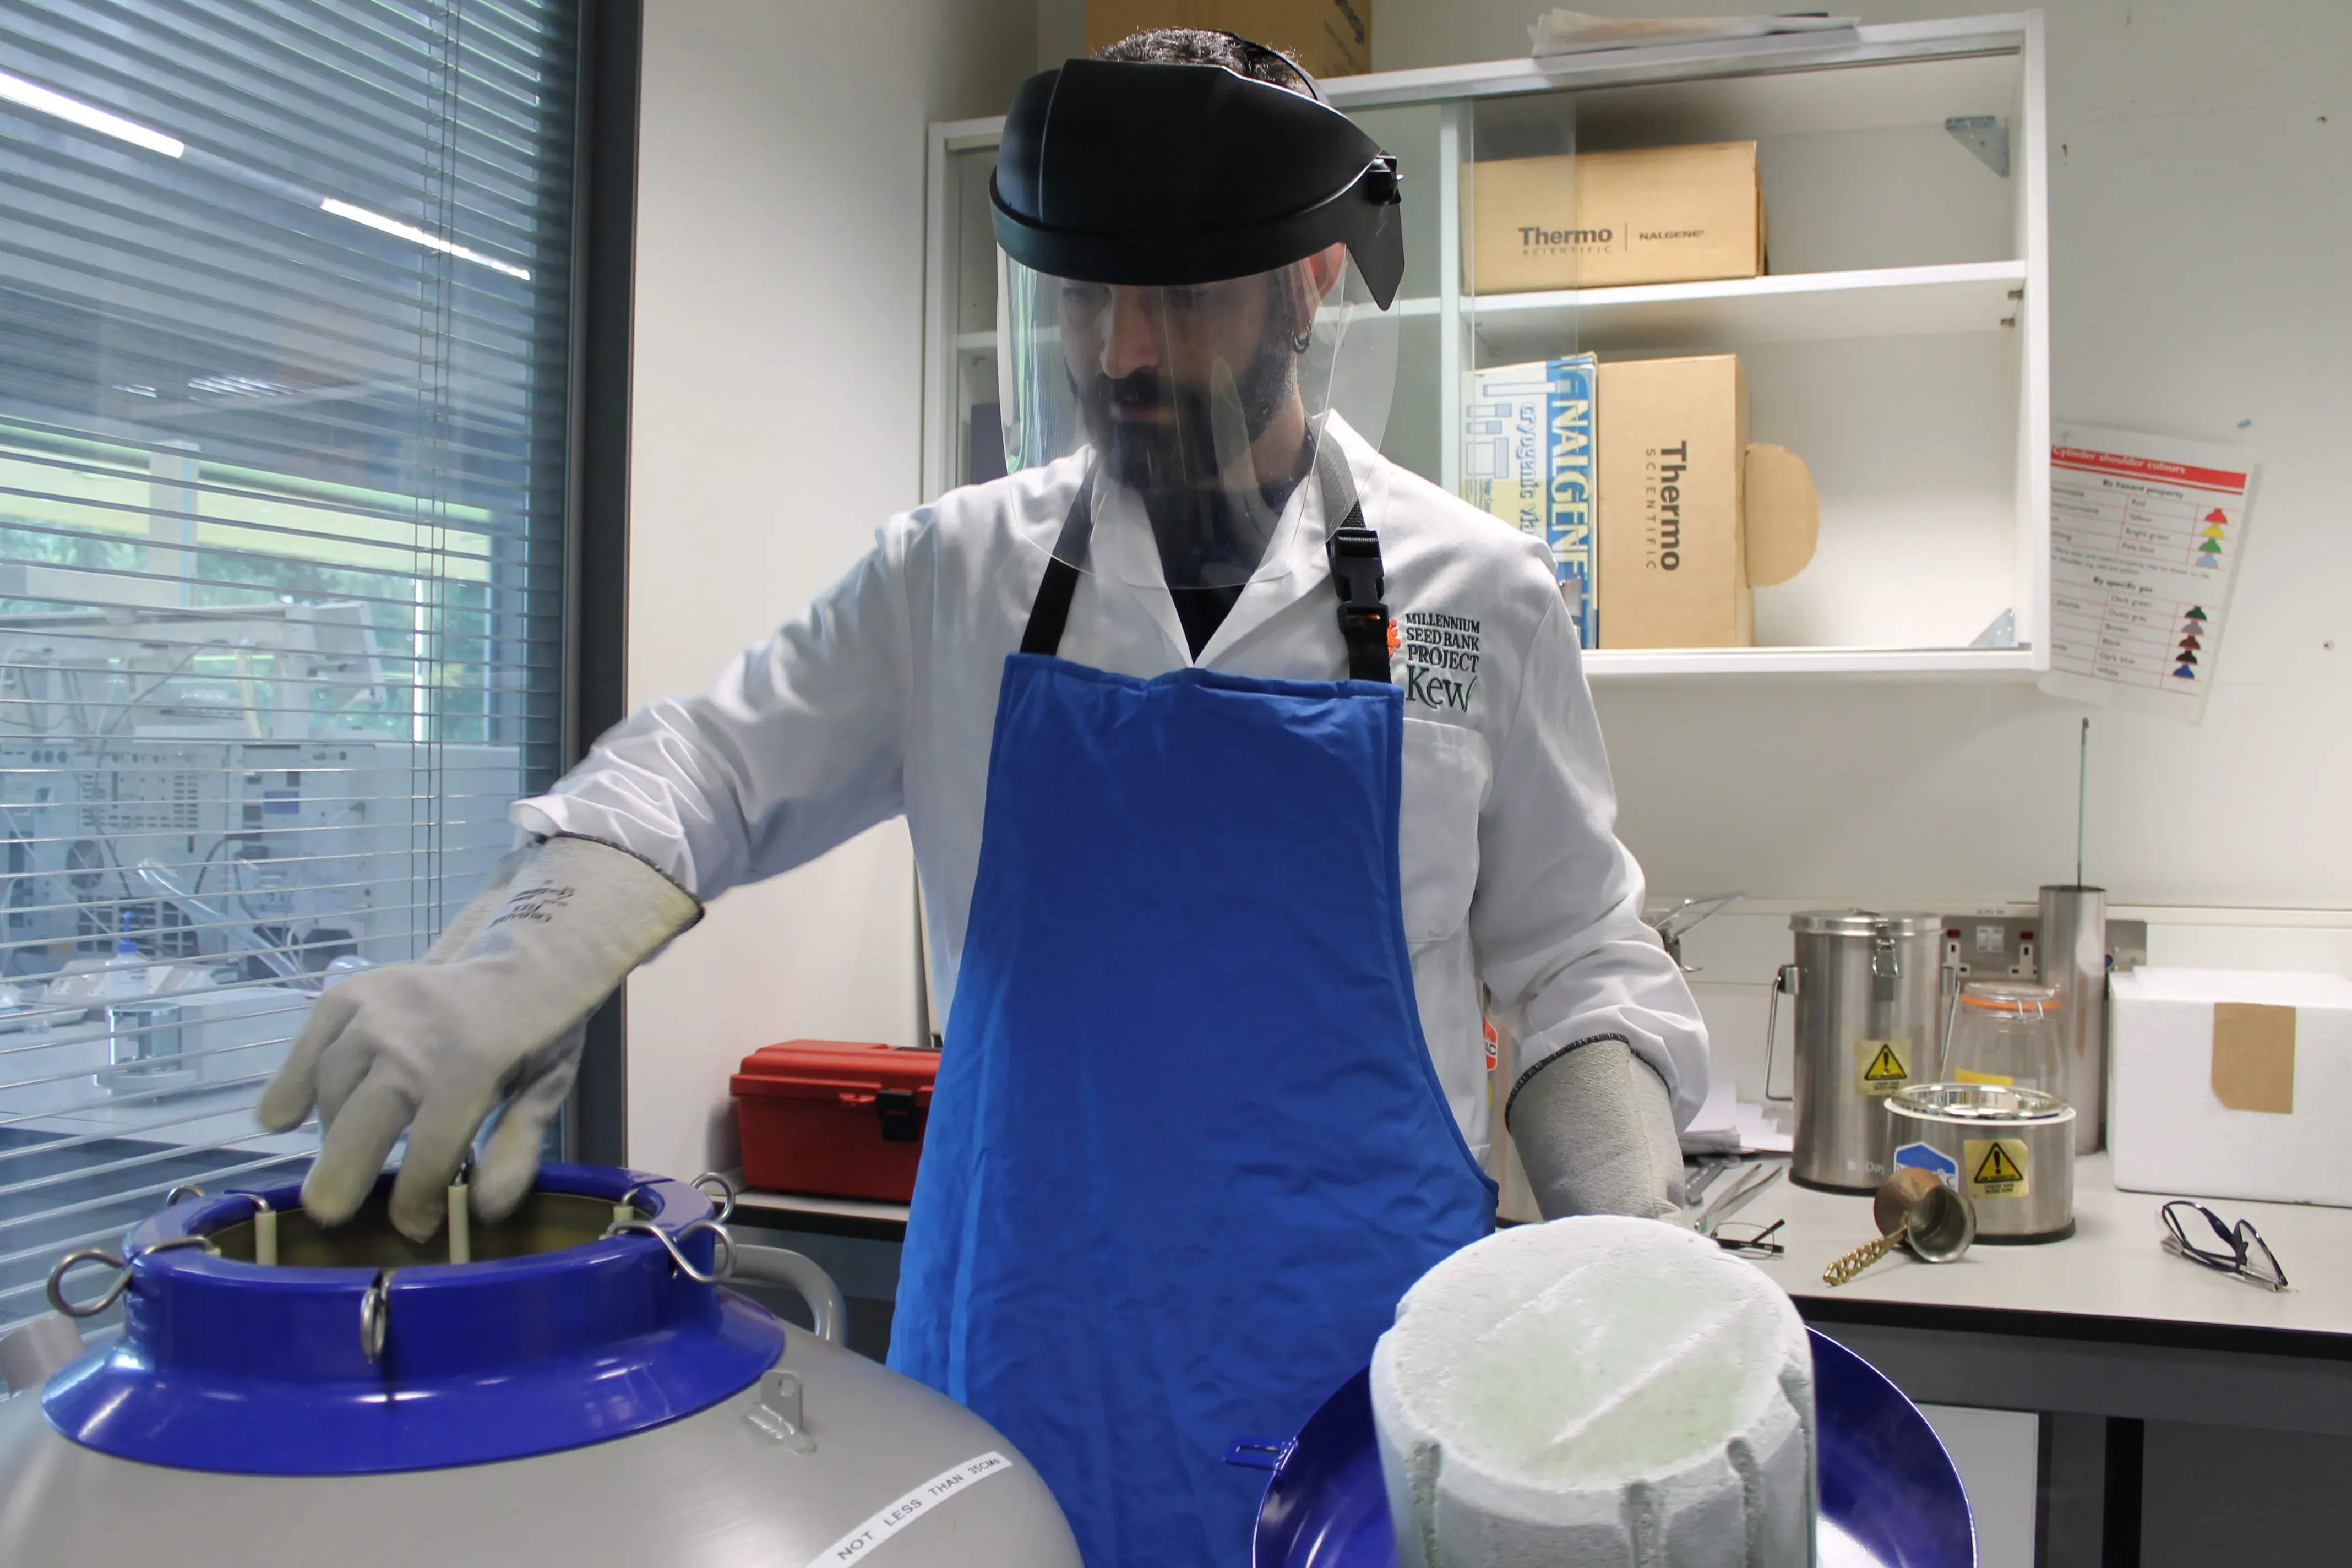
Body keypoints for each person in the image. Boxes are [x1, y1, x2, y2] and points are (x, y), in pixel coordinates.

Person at [258, 30, 1708, 1568]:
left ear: (1311, 282)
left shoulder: (1478, 595)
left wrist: (1633, 1247)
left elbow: (1572, 960)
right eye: (1082, 296)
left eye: (1179, 297)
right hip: (1024, 1370)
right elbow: (707, 770)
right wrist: (530, 952)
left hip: (1365, 1389)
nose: (1121, 352)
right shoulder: (952, 577)